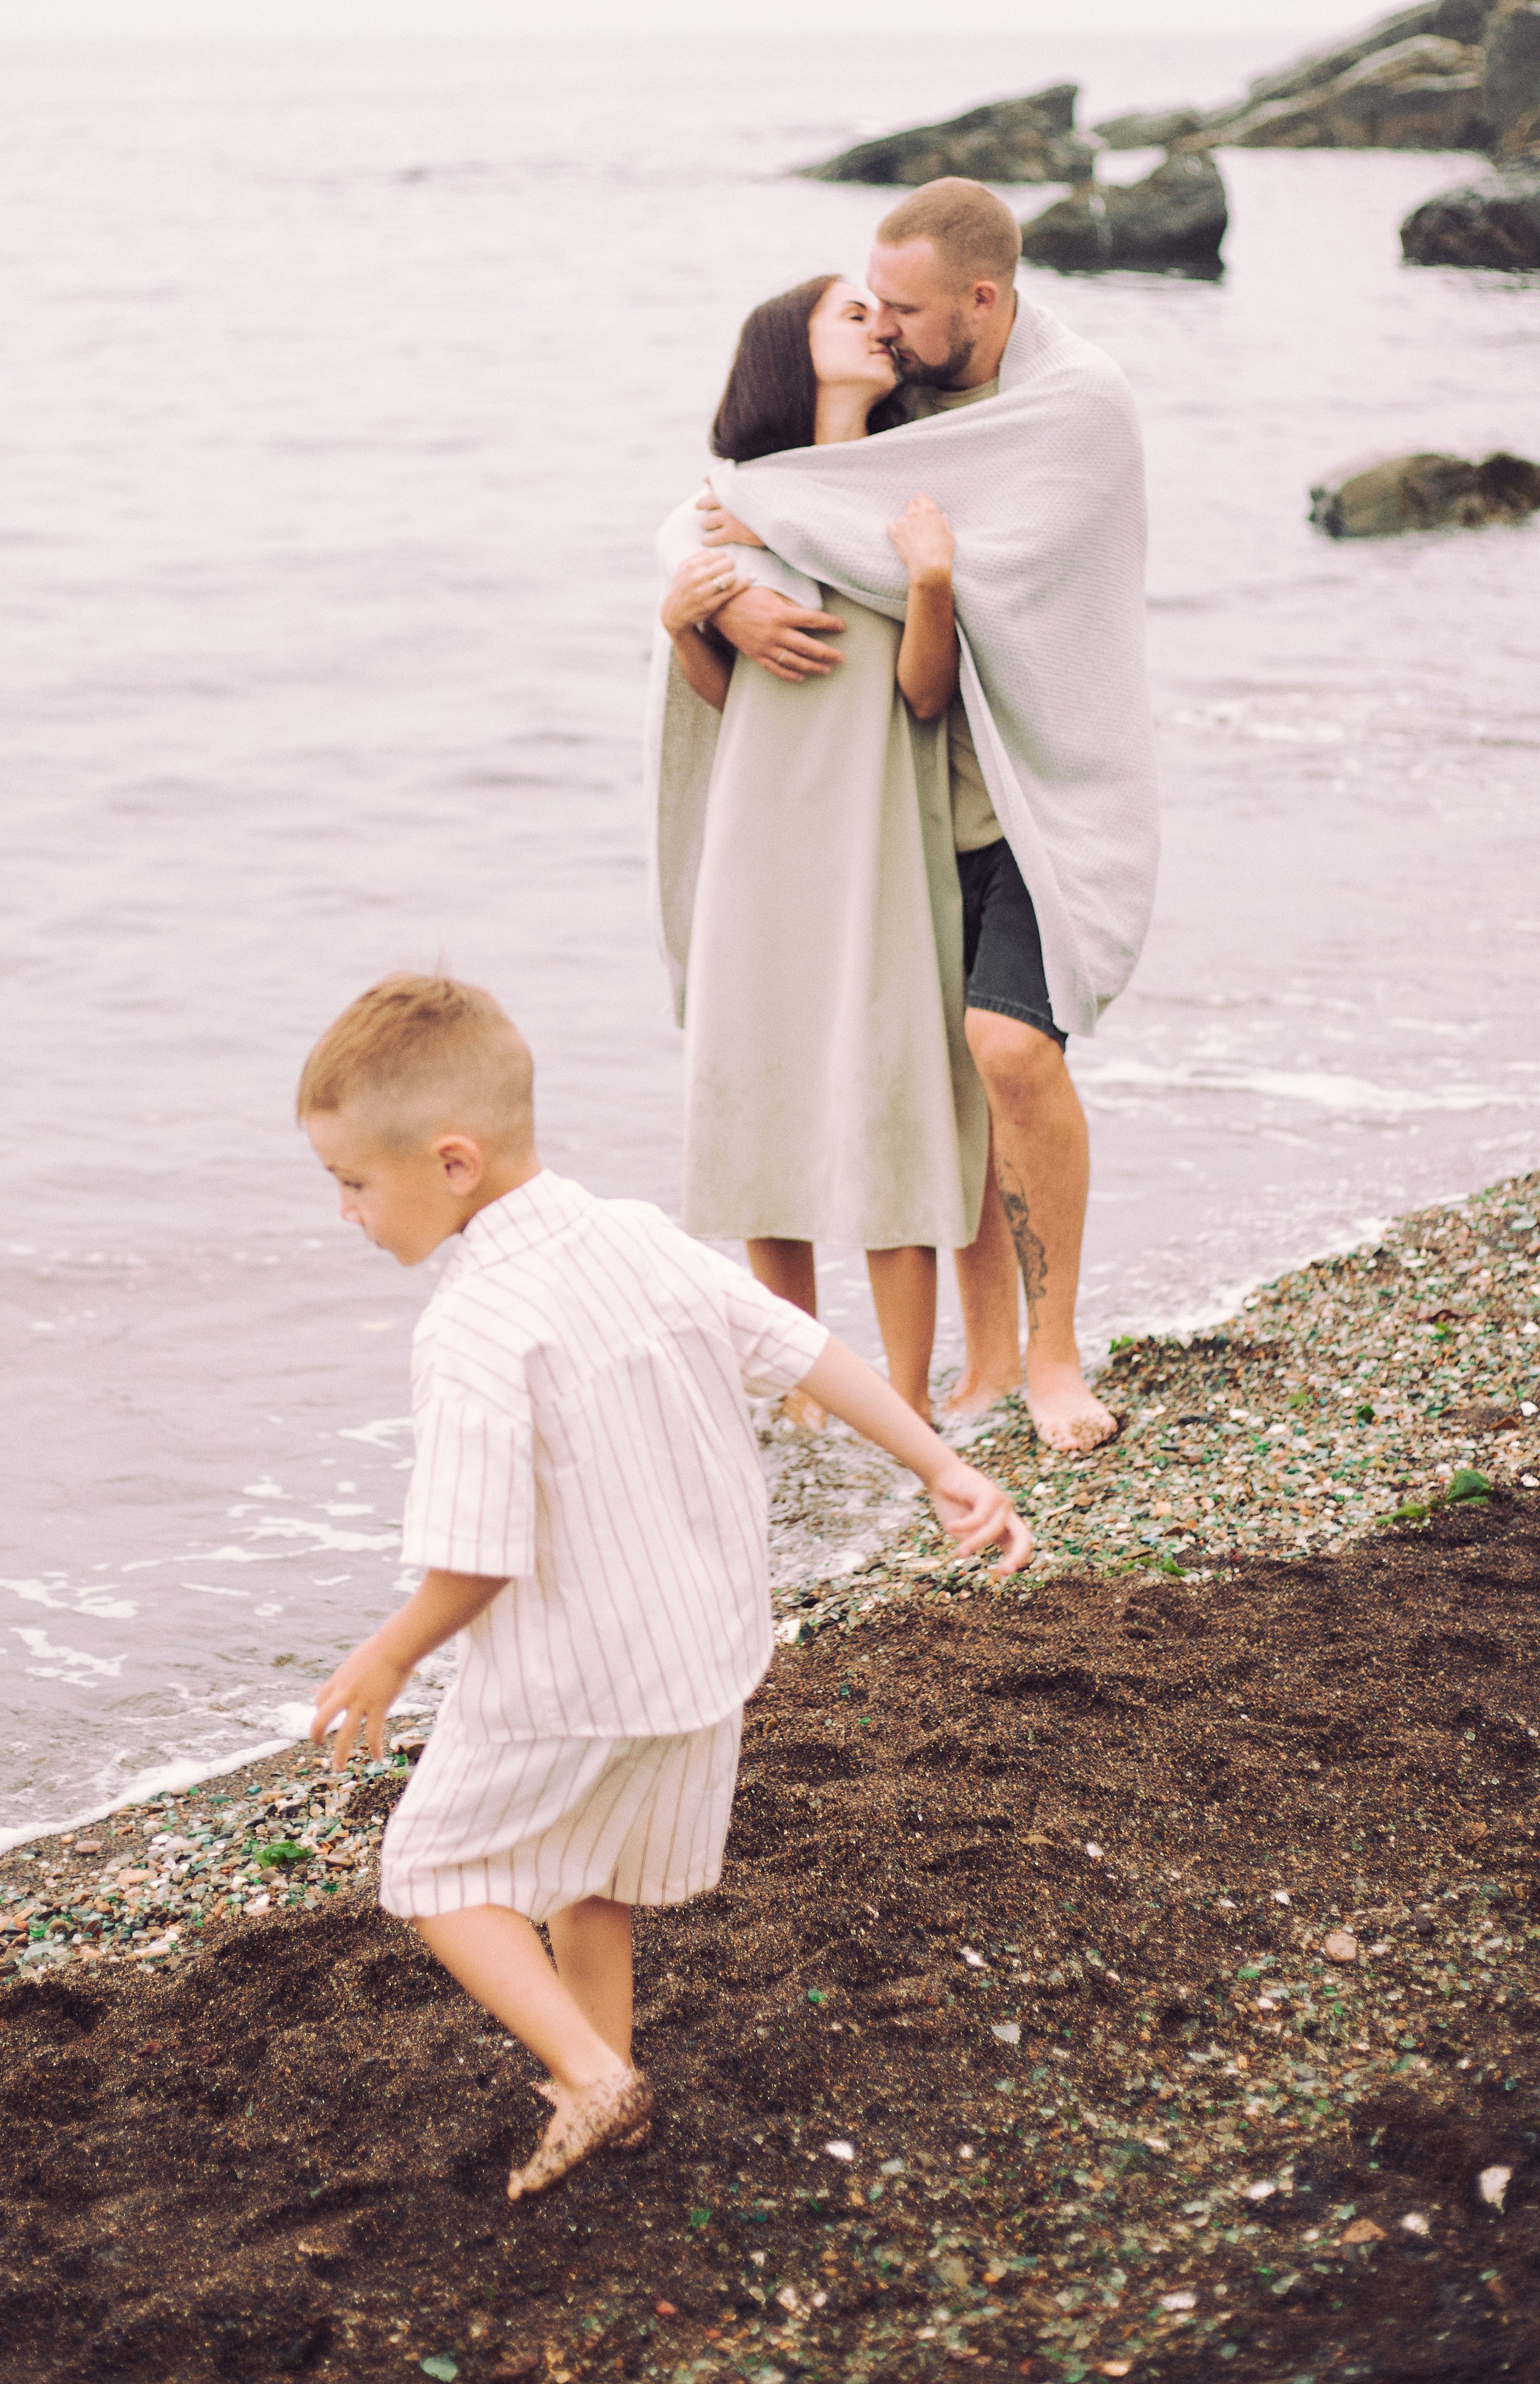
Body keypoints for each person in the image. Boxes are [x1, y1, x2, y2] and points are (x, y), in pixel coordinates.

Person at [299, 971, 1034, 2199]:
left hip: (572, 1678)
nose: (346, 1214)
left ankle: (592, 2080)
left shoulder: (475, 1324)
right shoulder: (635, 1236)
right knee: (596, 1881)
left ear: (454, 1162)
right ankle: (612, 2086)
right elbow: (801, 1348)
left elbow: (479, 1555)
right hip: (704, 1656)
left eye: (353, 1184)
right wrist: (943, 1466)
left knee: (433, 1874)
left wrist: (390, 1653)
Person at [670, 179, 1158, 1457]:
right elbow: (746, 485)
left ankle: (1047, 1359)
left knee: (1007, 1053)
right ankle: (983, 1366)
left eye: (906, 309)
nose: (886, 328)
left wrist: (902, 567)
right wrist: (708, 601)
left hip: (1037, 800)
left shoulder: (1072, 408)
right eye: (868, 306)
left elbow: (982, 575)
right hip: (897, 831)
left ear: (983, 301)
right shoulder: (906, 404)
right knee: (949, 1082)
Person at [654, 274, 1013, 1430]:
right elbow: (718, 699)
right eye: (849, 314)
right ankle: (802, 1385)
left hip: (877, 835)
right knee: (763, 1100)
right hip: (759, 841)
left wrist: (931, 582)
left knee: (890, 1100)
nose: (878, 324)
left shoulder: (910, 498)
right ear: (785, 353)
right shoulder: (725, 505)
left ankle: (903, 1397)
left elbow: (924, 696)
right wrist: (690, 621)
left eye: (882, 312)